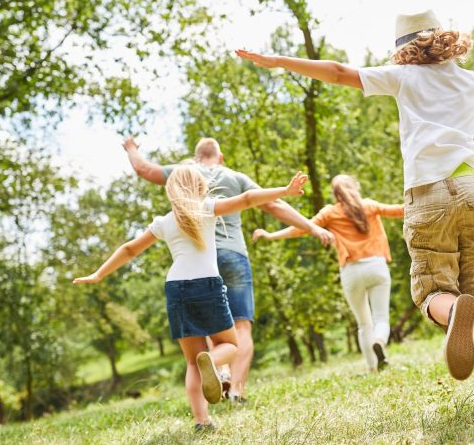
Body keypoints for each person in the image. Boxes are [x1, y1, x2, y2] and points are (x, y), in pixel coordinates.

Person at [235, 10, 474, 412]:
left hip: (428, 195)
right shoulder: (470, 79)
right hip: (473, 190)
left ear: (404, 49)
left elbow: (340, 72)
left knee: (431, 290)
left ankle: (451, 311)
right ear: (443, 39)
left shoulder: (404, 78)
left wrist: (280, 61)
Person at [73, 166, 309, 431]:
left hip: (176, 288)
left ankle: (201, 421)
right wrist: (284, 191)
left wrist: (98, 274)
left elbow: (129, 249)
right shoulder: (207, 208)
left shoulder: (163, 222)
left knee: (191, 361)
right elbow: (246, 200)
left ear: (171, 191)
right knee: (229, 345)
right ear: (200, 187)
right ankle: (214, 361)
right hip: (206, 285)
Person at [122, 136, 333, 403]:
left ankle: (220, 373)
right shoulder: (235, 176)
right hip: (233, 255)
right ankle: (236, 390)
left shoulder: (183, 173)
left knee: (213, 326)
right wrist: (312, 227)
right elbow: (271, 203)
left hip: (198, 261)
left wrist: (131, 149)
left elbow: (145, 170)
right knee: (240, 327)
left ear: (196, 157)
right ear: (220, 157)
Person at [252, 174, 404, 372]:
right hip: (376, 266)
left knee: (363, 323)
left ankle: (371, 368)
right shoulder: (370, 206)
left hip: (351, 271)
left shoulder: (330, 213)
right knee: (381, 319)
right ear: (355, 187)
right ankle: (379, 342)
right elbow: (401, 210)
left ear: (335, 194)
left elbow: (302, 228)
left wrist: (271, 235)